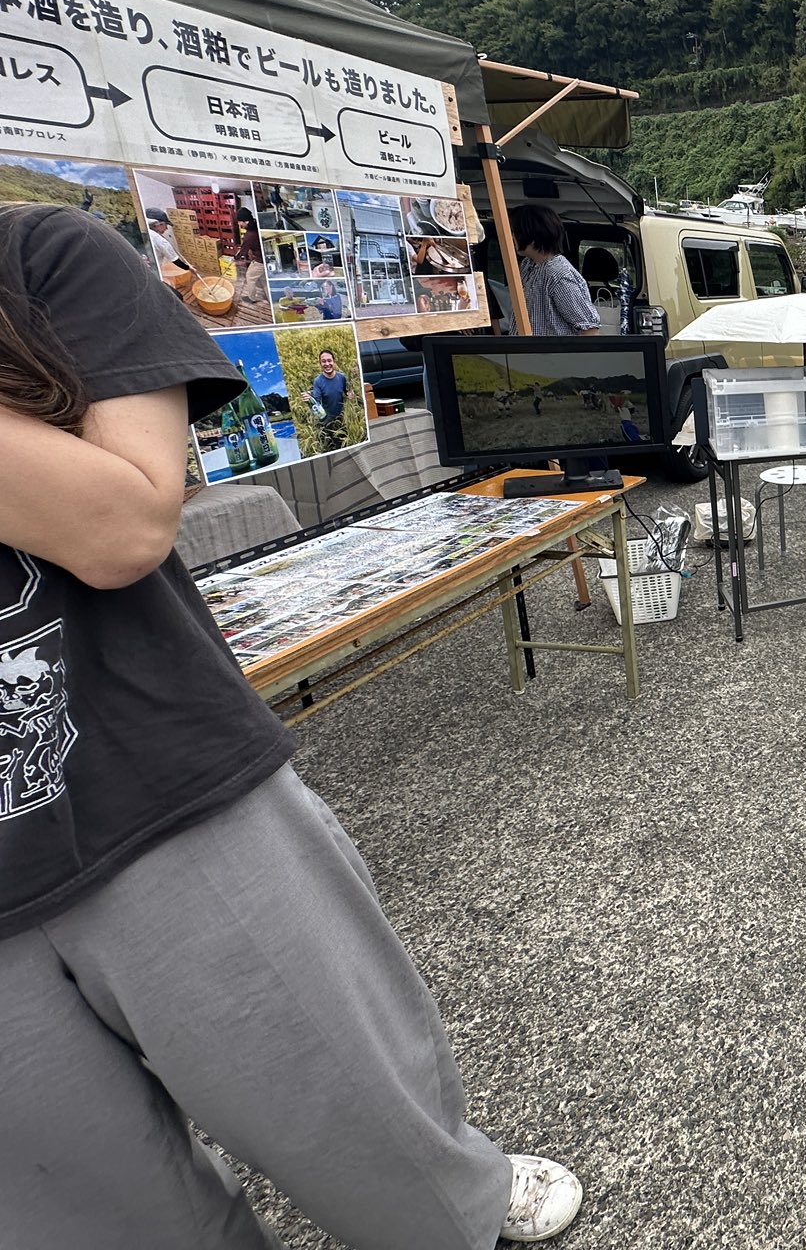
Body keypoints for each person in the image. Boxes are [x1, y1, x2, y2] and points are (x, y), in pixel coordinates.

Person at [0, 204, 582, 1248]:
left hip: (159, 779)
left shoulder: (35, 255)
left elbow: (123, 524)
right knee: (89, 1212)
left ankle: (458, 1210)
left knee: (356, 1116)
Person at [510, 204, 602, 337]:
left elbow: (589, 328)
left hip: (550, 351)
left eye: (515, 232)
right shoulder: (528, 265)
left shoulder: (559, 275)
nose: (511, 237)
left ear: (532, 235)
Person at [306, 348, 350, 452]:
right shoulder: (318, 381)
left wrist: (350, 395)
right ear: (320, 364)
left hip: (344, 418)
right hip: (328, 422)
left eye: (329, 360)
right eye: (323, 361)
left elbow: (347, 392)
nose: (327, 364)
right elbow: (316, 402)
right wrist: (309, 399)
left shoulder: (342, 377)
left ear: (334, 361)